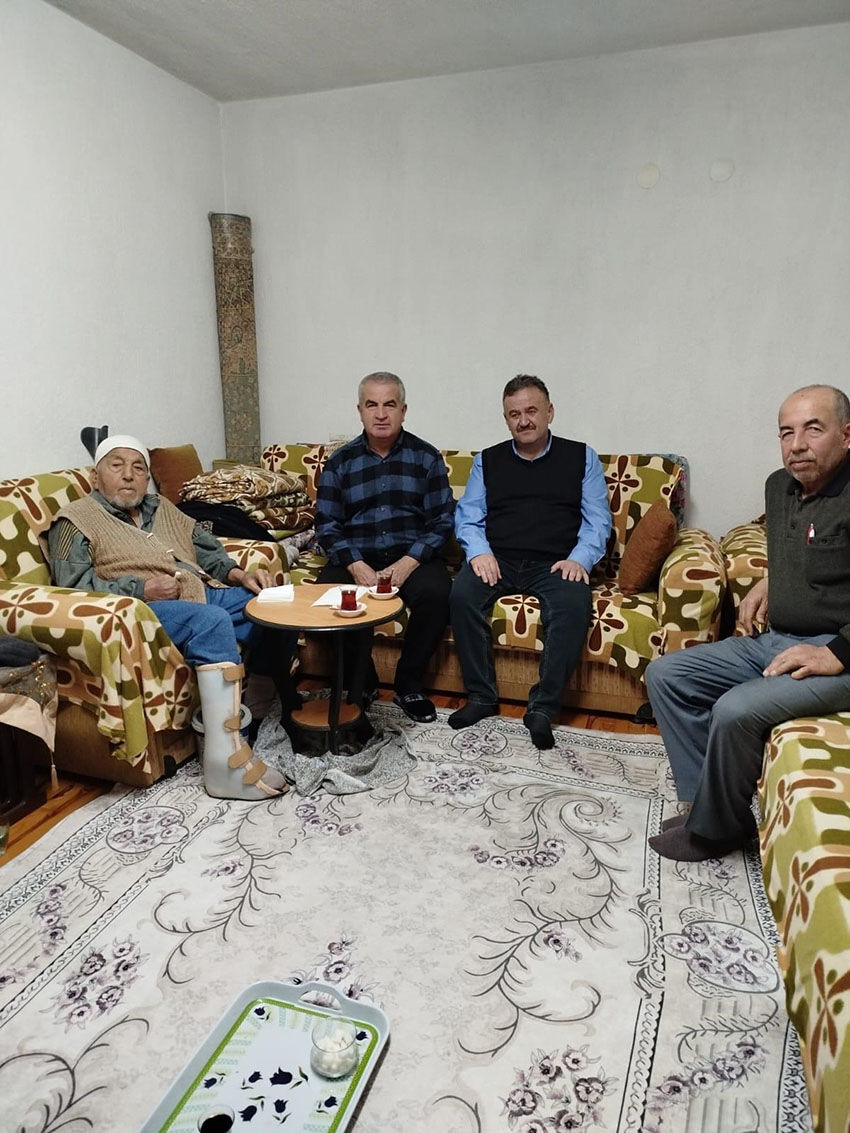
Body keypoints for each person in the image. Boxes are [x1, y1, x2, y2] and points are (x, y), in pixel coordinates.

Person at [647, 384, 850, 862]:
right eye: (786, 432)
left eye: (813, 429)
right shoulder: (779, 486)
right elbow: (808, 549)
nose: (797, 444)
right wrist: (770, 580)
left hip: (835, 653)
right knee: (666, 675)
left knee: (734, 710)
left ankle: (713, 833)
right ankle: (710, 809)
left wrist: (835, 653)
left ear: (846, 435)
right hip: (777, 637)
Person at [47, 435, 295, 801]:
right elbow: (73, 587)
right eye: (117, 466)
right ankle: (225, 763)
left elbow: (207, 550)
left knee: (273, 606)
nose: (128, 475)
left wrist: (240, 575)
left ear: (147, 478)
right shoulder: (74, 520)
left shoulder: (160, 506)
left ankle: (255, 714)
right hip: (137, 613)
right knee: (211, 621)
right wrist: (141, 589)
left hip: (197, 593)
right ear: (96, 477)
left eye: (138, 468)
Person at [449, 375, 612, 749]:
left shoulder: (581, 457)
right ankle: (481, 696)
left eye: (532, 411)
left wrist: (579, 559)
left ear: (549, 412)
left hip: (556, 563)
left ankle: (542, 709)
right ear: (506, 419)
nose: (524, 421)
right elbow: (468, 515)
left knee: (573, 604)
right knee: (461, 595)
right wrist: (479, 552)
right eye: (514, 414)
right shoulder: (487, 460)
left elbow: (598, 520)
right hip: (499, 559)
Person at [315, 372, 454, 723]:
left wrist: (409, 562)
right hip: (357, 555)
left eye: (389, 405)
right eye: (371, 405)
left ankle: (408, 684)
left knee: (438, 594)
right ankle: (363, 682)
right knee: (326, 597)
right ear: (360, 411)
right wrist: (355, 564)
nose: (380, 414)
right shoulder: (340, 462)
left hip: (412, 555)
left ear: (403, 410)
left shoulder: (426, 458)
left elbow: (442, 521)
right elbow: (327, 525)